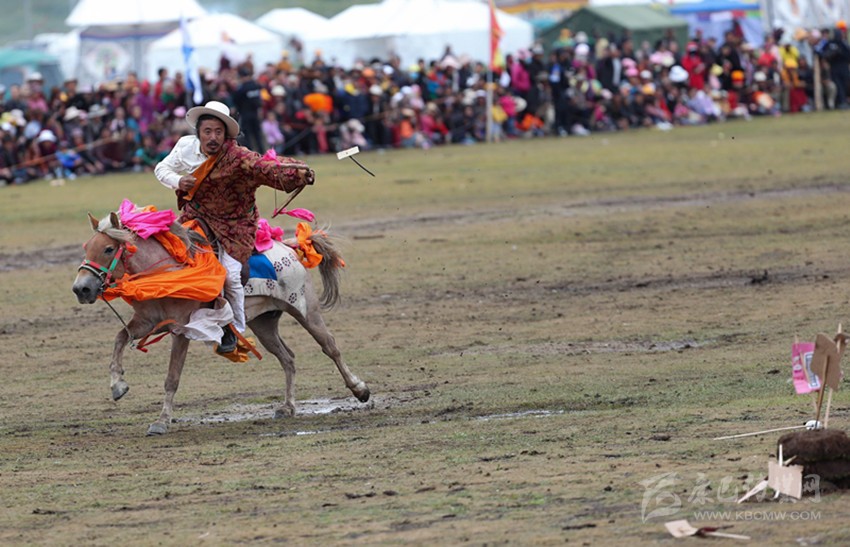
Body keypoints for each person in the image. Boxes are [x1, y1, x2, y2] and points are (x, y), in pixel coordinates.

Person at [154, 101, 314, 353]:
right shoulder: (184, 146)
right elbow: (161, 168)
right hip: (197, 216)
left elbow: (266, 168)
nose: (213, 137)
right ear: (198, 132)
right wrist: (178, 180)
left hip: (235, 224)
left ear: (227, 135)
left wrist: (298, 174)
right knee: (171, 252)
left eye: (218, 132)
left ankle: (235, 326)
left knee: (229, 273)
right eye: (207, 131)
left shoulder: (238, 157)